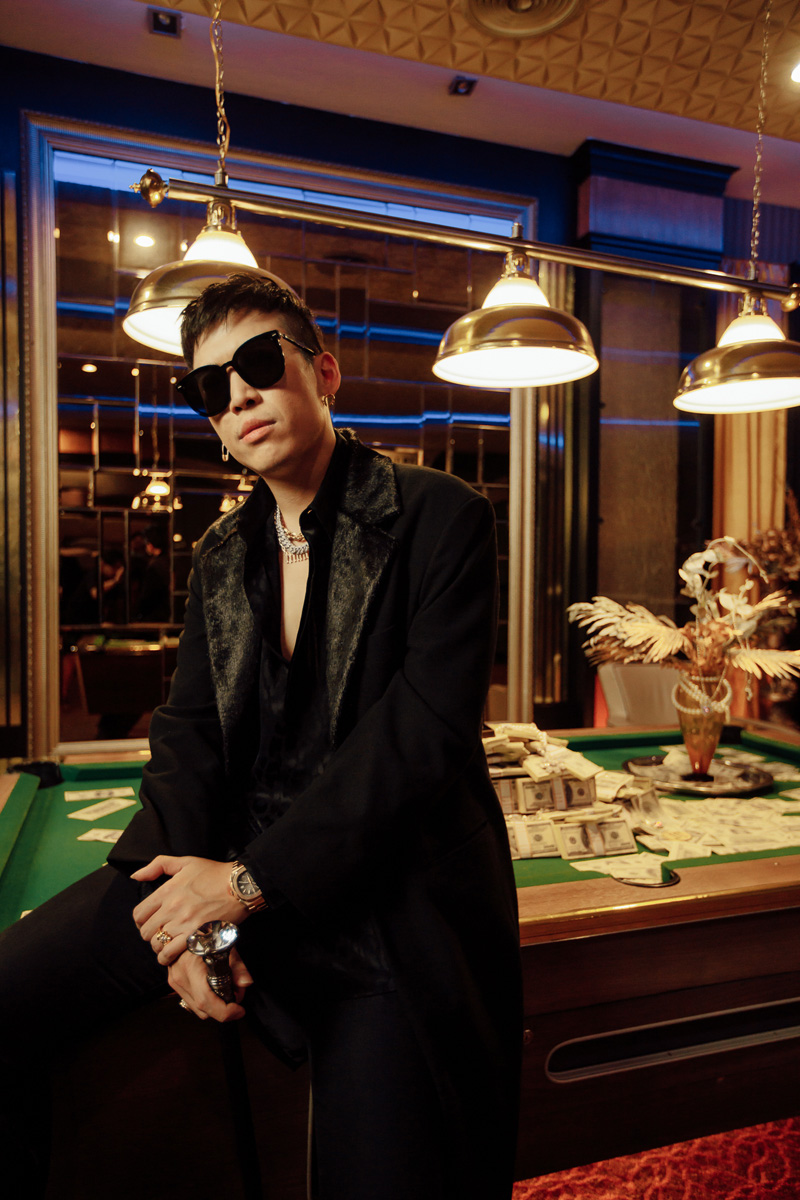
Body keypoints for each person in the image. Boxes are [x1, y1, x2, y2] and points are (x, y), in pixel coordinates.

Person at [0, 273, 522, 1199]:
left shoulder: (443, 514)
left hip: (384, 902)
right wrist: (183, 925)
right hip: (231, 871)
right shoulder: (221, 552)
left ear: (324, 372)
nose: (237, 396)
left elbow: (420, 742)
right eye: (210, 387)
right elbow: (189, 737)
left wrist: (244, 885)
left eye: (258, 364)